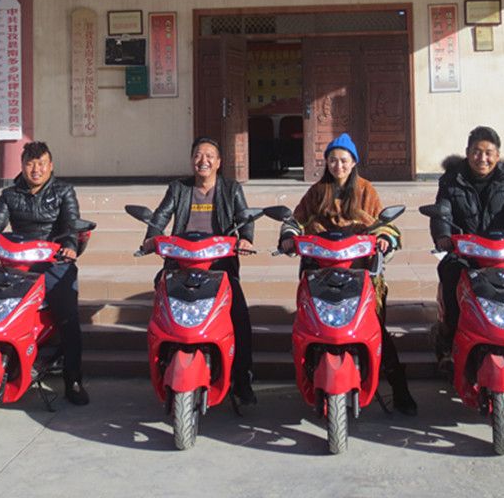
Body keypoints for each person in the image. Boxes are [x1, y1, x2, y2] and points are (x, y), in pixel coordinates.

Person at [278, 133, 417, 416]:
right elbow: (296, 220)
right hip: (321, 270)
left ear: (353, 162)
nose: (338, 165)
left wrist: (384, 238)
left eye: (343, 160)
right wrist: (289, 237)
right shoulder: (317, 192)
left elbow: (383, 224)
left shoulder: (366, 190)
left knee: (376, 328)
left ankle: (399, 388)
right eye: (333, 160)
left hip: (359, 270)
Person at [0, 141, 89, 406]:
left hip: (53, 261)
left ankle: (73, 380)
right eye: (30, 164)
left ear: (50, 165)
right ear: (22, 166)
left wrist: (69, 246)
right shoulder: (10, 194)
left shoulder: (64, 191)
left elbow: (70, 223)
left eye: (41, 163)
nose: (36, 169)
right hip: (17, 260)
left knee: (68, 317)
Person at [140, 136, 258, 405]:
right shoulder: (179, 188)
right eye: (198, 155)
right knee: (162, 312)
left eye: (209, 156)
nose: (203, 160)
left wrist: (245, 238)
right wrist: (151, 237)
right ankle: (165, 365)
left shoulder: (231, 188)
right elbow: (161, 215)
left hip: (219, 267)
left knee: (239, 317)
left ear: (218, 162)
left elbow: (244, 217)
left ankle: (242, 380)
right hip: (180, 264)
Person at [430, 126, 504, 361]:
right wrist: (443, 236)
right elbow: (442, 212)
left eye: (488, 153)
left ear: (497, 155)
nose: (482, 158)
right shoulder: (451, 180)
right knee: (450, 273)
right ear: (468, 152)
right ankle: (450, 337)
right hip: (467, 251)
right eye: (477, 152)